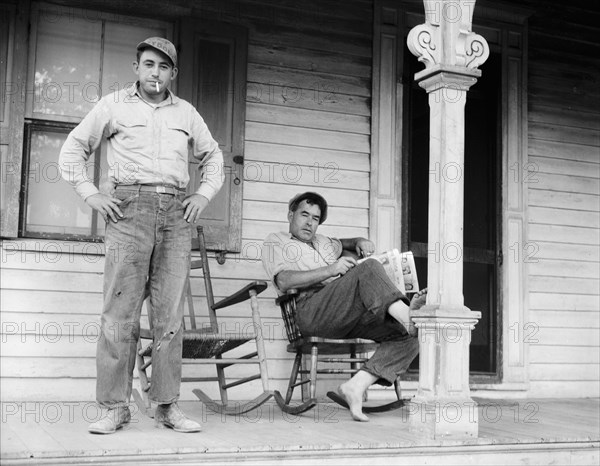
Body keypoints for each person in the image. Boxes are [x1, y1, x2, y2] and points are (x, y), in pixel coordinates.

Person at [59, 37, 224, 434]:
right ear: (137, 67)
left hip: (175, 214)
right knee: (119, 315)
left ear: (173, 73)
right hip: (127, 211)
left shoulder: (186, 112)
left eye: (163, 67)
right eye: (149, 64)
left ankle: (166, 406)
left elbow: (214, 156)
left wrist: (203, 194)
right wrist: (91, 194)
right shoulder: (113, 106)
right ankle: (115, 407)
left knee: (169, 316)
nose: (155, 73)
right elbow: (73, 149)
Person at [261, 192, 425, 422]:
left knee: (412, 336)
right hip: (311, 310)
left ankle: (356, 386)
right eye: (304, 214)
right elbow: (284, 280)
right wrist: (331, 270)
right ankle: (407, 317)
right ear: (291, 215)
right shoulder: (276, 241)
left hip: (345, 311)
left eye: (316, 218)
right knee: (368, 268)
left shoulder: (323, 242)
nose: (309, 222)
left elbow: (345, 243)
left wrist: (359, 241)